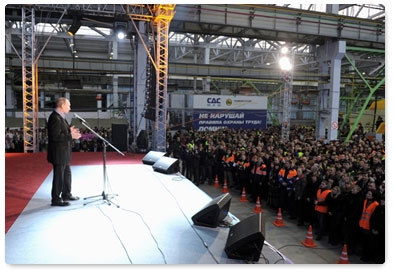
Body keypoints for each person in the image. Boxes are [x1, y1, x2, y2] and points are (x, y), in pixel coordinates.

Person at [47, 97, 81, 206]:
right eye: (68, 106)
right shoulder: (55, 118)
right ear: (62, 106)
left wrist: (69, 130)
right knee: (59, 176)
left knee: (67, 174)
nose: (70, 108)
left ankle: (66, 193)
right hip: (59, 153)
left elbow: (61, 132)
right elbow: (55, 136)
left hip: (64, 152)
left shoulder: (61, 117)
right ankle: (56, 198)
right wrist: (70, 135)